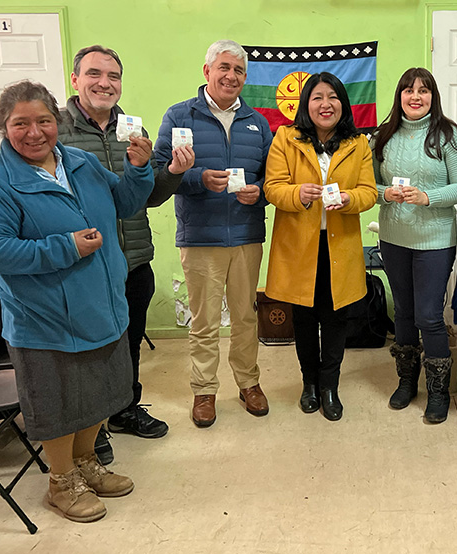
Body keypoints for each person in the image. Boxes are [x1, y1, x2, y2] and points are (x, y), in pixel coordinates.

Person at [0, 80, 154, 522]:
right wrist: (64, 247)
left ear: (57, 121)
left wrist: (139, 168)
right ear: (3, 127)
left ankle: (87, 462)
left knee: (102, 393)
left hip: (102, 304)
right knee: (58, 403)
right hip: (44, 318)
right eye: (20, 124)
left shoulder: (81, 161)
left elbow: (125, 202)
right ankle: (61, 479)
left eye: (43, 121)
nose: (34, 133)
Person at [58, 45, 195, 462]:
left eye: (114, 76)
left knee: (129, 341)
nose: (105, 83)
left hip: (133, 257)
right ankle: (89, 426)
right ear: (75, 79)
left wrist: (172, 172)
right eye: (95, 74)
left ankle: (123, 409)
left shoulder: (133, 129)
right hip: (83, 263)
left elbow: (146, 198)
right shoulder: (56, 131)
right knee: (87, 350)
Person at [154, 40, 272, 428]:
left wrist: (262, 193)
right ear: (207, 72)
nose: (231, 76)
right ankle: (204, 390)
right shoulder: (178, 116)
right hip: (200, 238)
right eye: (224, 67)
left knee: (245, 318)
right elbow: (158, 174)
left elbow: (273, 177)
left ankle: (249, 383)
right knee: (204, 321)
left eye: (239, 71)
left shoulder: (258, 122)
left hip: (246, 234)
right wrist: (197, 178)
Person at [263, 72, 377, 421]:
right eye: (317, 98)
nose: (325, 104)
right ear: (306, 104)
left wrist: (349, 198)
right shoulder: (286, 138)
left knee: (336, 317)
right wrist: (297, 194)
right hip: (299, 247)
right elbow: (272, 188)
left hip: (338, 246)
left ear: (343, 104)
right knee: (303, 317)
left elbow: (370, 192)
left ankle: (330, 385)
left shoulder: (357, 143)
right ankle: (309, 384)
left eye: (332, 97)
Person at [371, 68, 457, 424]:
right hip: (394, 238)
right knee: (404, 314)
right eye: (409, 90)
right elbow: (368, 187)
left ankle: (439, 391)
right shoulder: (383, 136)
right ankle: (407, 381)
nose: (416, 97)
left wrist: (428, 196)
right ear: (399, 96)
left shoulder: (449, 135)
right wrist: (387, 193)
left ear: (433, 96)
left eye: (424, 91)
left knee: (429, 315)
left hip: (434, 240)